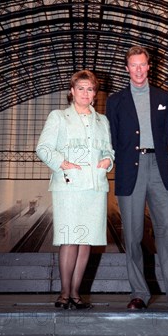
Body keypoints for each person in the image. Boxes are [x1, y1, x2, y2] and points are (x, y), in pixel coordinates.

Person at [106, 45, 168, 310]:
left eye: (143, 64)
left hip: (158, 167)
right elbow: (113, 138)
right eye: (134, 65)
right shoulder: (115, 101)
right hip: (129, 171)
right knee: (132, 235)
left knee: (167, 232)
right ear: (127, 68)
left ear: (149, 66)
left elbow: (166, 136)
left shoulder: (163, 97)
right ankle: (138, 294)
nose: (139, 70)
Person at [36, 70, 114, 310]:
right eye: (80, 88)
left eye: (90, 89)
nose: (85, 93)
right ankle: (64, 293)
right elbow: (43, 148)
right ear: (71, 92)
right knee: (70, 240)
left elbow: (109, 151)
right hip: (69, 187)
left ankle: (77, 294)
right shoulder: (58, 117)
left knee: (86, 242)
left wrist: (107, 161)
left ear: (95, 93)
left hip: (95, 188)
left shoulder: (102, 120)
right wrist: (61, 163)